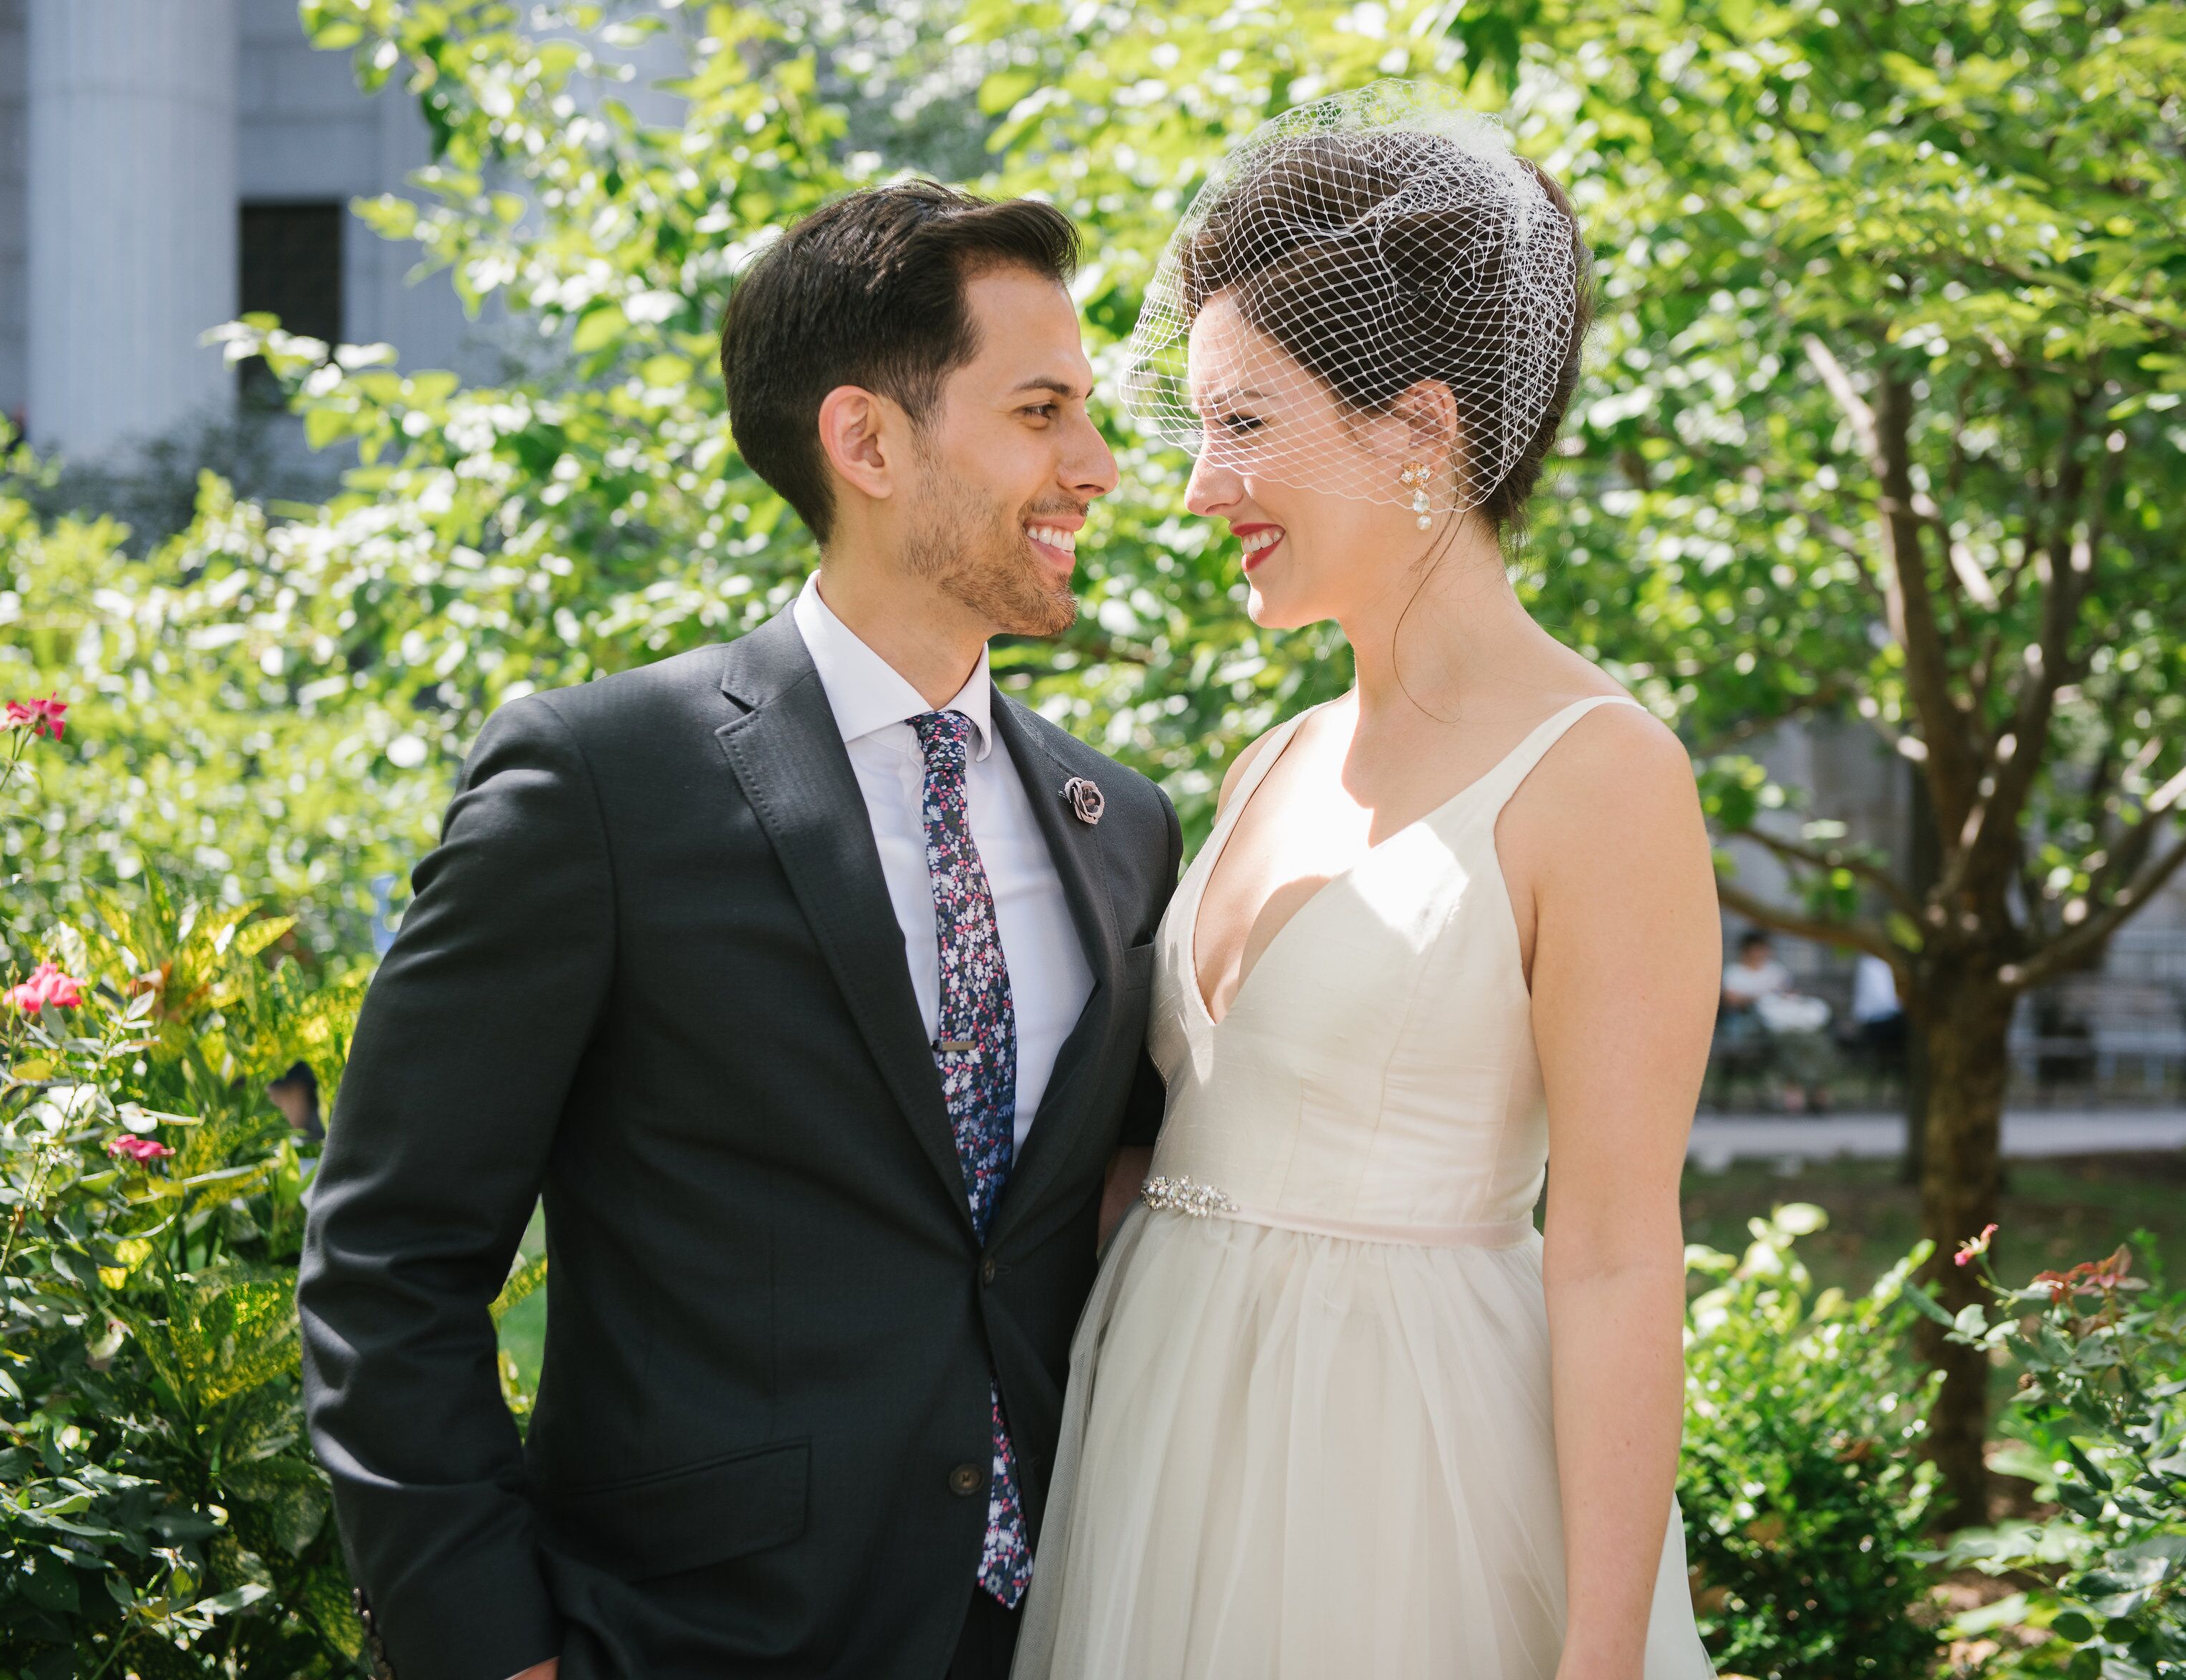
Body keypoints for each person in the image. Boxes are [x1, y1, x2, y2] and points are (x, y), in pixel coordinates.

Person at [296, 182, 1183, 1680]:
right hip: (690, 1636)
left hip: (1057, 1630)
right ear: (866, 441)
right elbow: (391, 1257)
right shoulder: (596, 784)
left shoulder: (1125, 824)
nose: (1095, 466)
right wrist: (487, 1648)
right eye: (1041, 410)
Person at [1011, 84, 1721, 1680]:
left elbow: (1616, 1250)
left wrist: (1599, 1656)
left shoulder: (1602, 775)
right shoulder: (1268, 759)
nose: (1194, 486)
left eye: (1244, 423)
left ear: (1419, 428)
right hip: (1164, 1448)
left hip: (1400, 1478)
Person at [1720, 928, 1837, 1112]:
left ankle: (1818, 1088)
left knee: (1816, 1040)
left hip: (1784, 1019)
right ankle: (1794, 1087)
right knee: (1787, 1040)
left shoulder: (1775, 970)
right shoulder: (1734, 972)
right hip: (1753, 1023)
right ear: (1747, 950)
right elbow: (1731, 999)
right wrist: (1759, 997)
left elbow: (1788, 992)